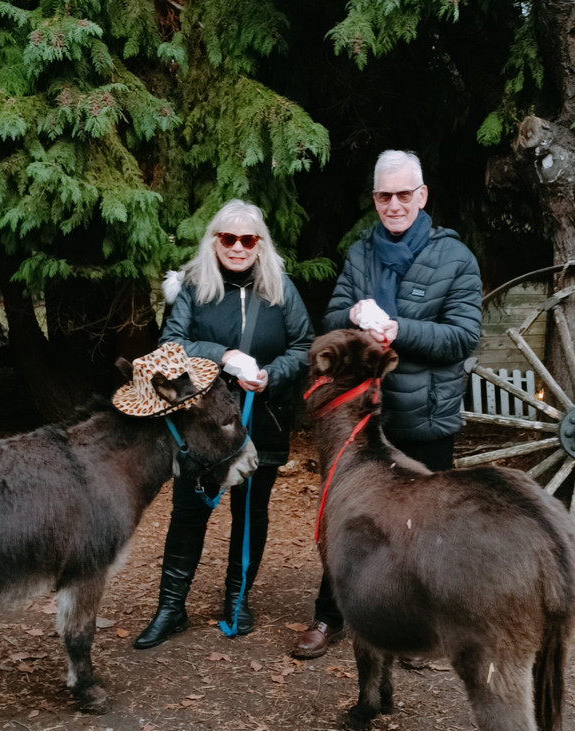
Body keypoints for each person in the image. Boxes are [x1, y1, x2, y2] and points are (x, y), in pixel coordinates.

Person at [290, 149, 483, 660]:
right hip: (362, 419)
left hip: (425, 417)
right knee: (346, 517)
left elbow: (462, 337)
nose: (394, 204)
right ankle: (330, 616)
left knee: (422, 529)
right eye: (384, 195)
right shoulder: (361, 254)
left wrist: (401, 330)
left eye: (403, 194)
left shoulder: (455, 259)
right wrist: (353, 313)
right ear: (374, 198)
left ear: (422, 196)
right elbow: (332, 317)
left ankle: (416, 630)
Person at [135, 199, 314, 649]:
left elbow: (304, 345)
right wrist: (224, 357)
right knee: (188, 511)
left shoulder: (280, 288)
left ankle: (238, 598)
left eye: (247, 239)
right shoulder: (195, 286)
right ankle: (171, 608)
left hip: (262, 417)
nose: (237, 247)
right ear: (215, 241)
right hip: (202, 423)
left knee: (250, 512)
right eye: (228, 238)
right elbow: (171, 345)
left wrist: (272, 375)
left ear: (260, 244)